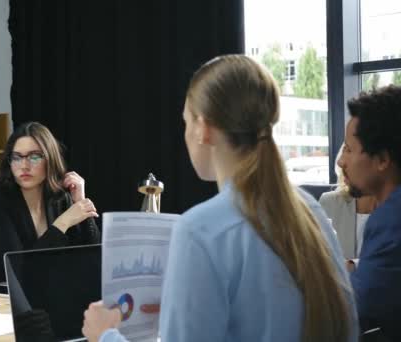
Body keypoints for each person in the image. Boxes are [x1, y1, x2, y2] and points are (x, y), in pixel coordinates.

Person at [82, 55, 358, 342]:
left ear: (203, 128)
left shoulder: (200, 229)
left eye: (186, 122)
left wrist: (106, 336)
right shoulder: (309, 210)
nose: (186, 133)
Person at [0, 122, 101, 283]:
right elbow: (21, 270)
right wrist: (62, 223)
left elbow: (94, 258)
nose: (24, 165)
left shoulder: (60, 198)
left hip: (54, 294)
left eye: (34, 156)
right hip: (7, 297)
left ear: (50, 159)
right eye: (16, 157)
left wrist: (80, 201)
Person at [338, 85, 401, 339]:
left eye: (350, 149)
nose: (342, 161)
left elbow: (354, 309)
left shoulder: (391, 220)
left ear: (382, 160)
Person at [320, 145, 377, 260]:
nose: (340, 162)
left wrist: (353, 266)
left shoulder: (394, 210)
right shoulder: (329, 203)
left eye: (350, 150)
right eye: (344, 150)